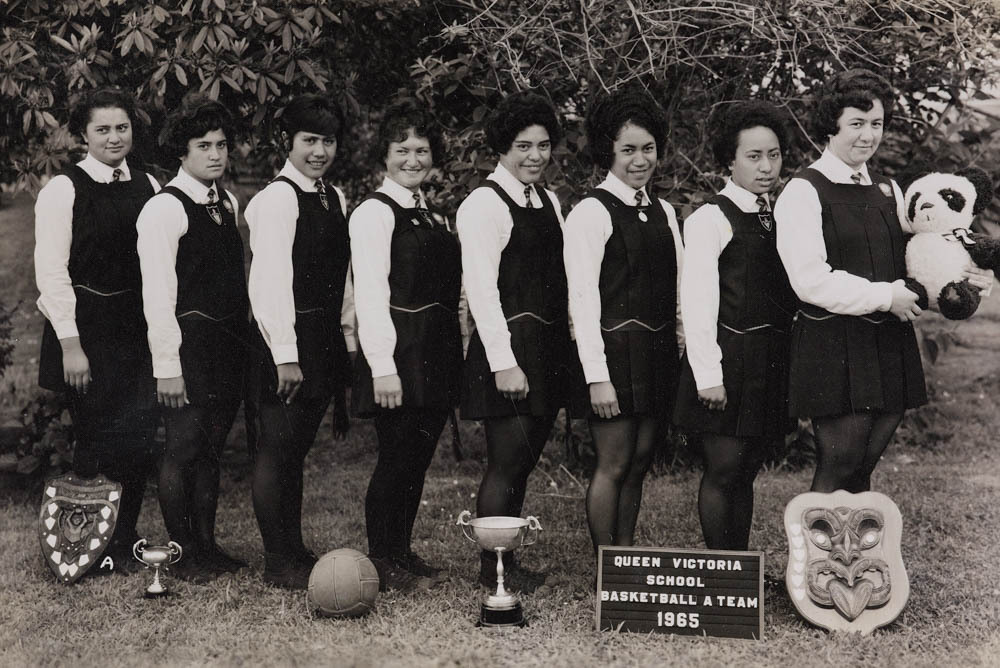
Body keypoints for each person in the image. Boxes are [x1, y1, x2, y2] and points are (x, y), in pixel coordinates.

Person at [774, 69, 991, 493]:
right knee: (839, 467)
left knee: (861, 471)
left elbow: (919, 263)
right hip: (834, 344)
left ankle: (853, 561)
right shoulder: (804, 191)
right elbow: (809, 280)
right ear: (830, 126)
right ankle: (811, 562)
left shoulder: (890, 190)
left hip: (888, 343)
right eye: (856, 124)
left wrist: (962, 284)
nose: (867, 135)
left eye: (876, 124)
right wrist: (885, 295)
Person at [458, 90, 586, 590]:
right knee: (507, 463)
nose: (535, 155)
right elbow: (482, 294)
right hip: (508, 351)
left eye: (542, 145)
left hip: (547, 347)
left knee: (524, 463)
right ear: (500, 148)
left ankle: (506, 562)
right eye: (522, 146)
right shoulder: (482, 205)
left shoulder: (547, 199)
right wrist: (504, 363)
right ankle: (492, 572)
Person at [34, 87, 160, 571]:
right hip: (86, 334)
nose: (113, 137)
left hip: (136, 330)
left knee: (138, 437)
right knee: (95, 436)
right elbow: (51, 272)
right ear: (83, 134)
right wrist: (71, 344)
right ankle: (85, 544)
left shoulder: (148, 185)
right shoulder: (64, 189)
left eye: (121, 127)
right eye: (103, 129)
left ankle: (122, 537)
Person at [563, 87, 684, 555]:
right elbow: (583, 303)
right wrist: (598, 378)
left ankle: (626, 555)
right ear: (607, 152)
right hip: (612, 359)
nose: (640, 159)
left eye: (648, 148)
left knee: (639, 463)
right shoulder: (590, 213)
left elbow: (676, 294)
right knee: (612, 465)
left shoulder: (665, 211)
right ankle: (603, 565)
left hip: (654, 357)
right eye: (628, 149)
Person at [244, 94, 356, 589]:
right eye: (309, 140)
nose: (319, 151)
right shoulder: (276, 199)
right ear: (286, 143)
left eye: (327, 141)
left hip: (323, 336)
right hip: (284, 340)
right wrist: (285, 356)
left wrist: (347, 339)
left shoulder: (333, 196)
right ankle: (277, 559)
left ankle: (293, 547)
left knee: (296, 449)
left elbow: (344, 277)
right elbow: (268, 285)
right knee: (277, 447)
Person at [673, 101, 795, 550]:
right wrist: (708, 376)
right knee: (724, 470)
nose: (766, 167)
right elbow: (698, 302)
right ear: (730, 159)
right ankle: (722, 573)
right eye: (753, 156)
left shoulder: (777, 214)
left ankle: (737, 568)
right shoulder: (711, 218)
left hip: (768, 361)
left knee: (746, 471)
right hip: (727, 363)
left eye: (774, 155)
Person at [350, 99, 461, 592]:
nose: (413, 160)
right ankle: (381, 559)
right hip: (397, 354)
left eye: (422, 150)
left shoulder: (431, 215)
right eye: (403, 150)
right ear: (385, 156)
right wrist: (382, 367)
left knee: (417, 458)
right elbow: (370, 294)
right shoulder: (374, 213)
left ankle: (402, 549)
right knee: (395, 457)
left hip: (434, 352)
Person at [136, 95, 248, 582]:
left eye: (221, 145)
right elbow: (157, 295)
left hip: (227, 345)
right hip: (187, 349)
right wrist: (168, 366)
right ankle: (182, 556)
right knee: (182, 448)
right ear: (181, 153)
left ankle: (207, 547)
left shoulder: (227, 200)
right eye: (203, 146)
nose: (215, 154)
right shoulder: (164, 208)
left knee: (210, 450)